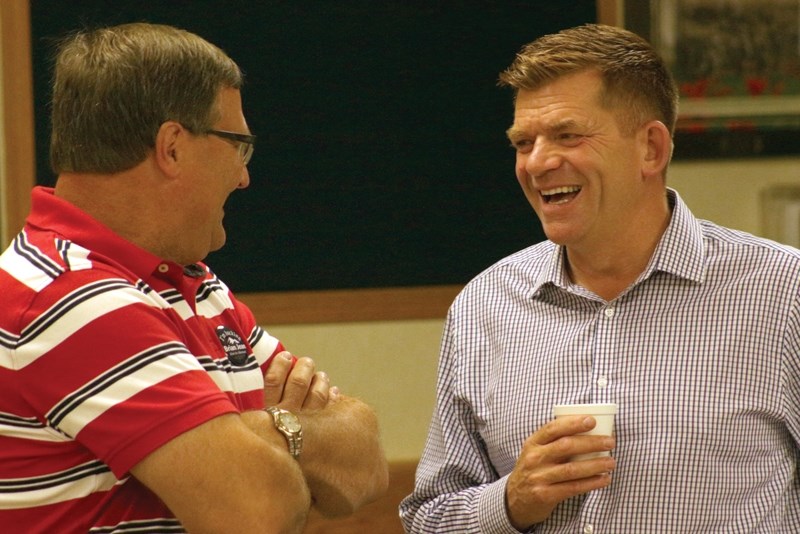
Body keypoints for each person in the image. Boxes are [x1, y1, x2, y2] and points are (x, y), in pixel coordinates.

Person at [400, 23, 800, 533]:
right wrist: (511, 501)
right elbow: (427, 520)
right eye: (524, 142)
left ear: (651, 149)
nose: (539, 162)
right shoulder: (485, 306)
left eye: (568, 135)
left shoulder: (784, 293)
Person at [0, 22, 387, 533]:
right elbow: (258, 512)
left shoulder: (198, 286)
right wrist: (283, 436)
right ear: (173, 147)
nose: (244, 176)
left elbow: (366, 467)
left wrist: (252, 431)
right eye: (238, 146)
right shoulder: (65, 294)